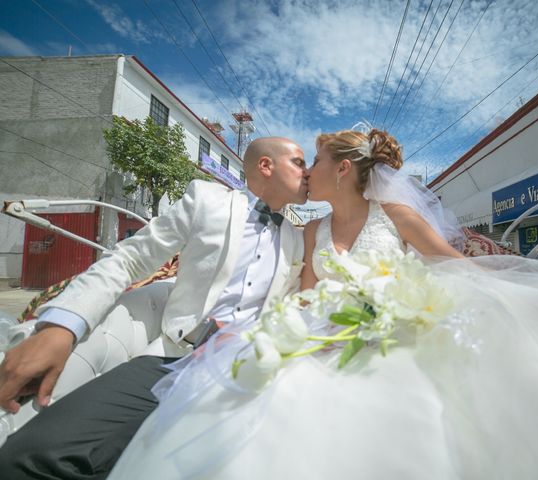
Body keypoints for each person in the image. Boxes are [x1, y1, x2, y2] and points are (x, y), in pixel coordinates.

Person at [110, 128, 538, 479]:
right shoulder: (311, 230)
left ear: (341, 169)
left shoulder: (394, 216)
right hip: (326, 336)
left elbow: (451, 263)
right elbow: (307, 295)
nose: (309, 170)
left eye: (314, 161)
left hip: (398, 333)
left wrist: (521, 286)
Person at [0, 136, 309, 479]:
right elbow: (130, 259)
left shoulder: (296, 240)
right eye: (299, 162)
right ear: (265, 165)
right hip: (175, 359)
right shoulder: (207, 201)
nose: (307, 172)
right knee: (29, 455)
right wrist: (62, 326)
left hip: (250, 373)